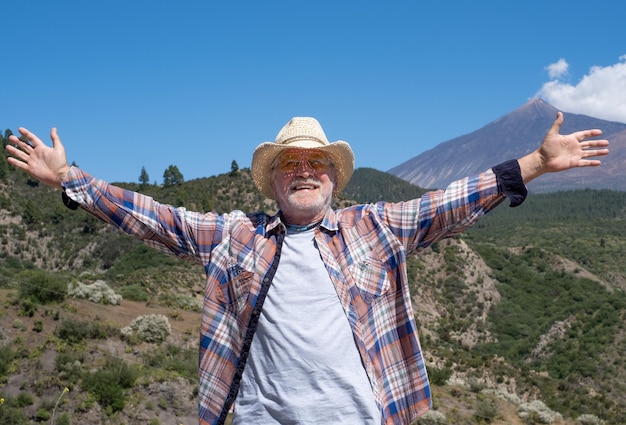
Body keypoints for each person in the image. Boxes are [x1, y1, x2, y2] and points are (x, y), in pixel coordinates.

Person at [6, 114, 608, 425]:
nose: (303, 170)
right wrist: (71, 180)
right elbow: (153, 216)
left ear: (333, 177)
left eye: (315, 163)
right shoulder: (234, 238)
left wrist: (532, 162)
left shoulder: (375, 227)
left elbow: (449, 200)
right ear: (272, 178)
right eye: (290, 163)